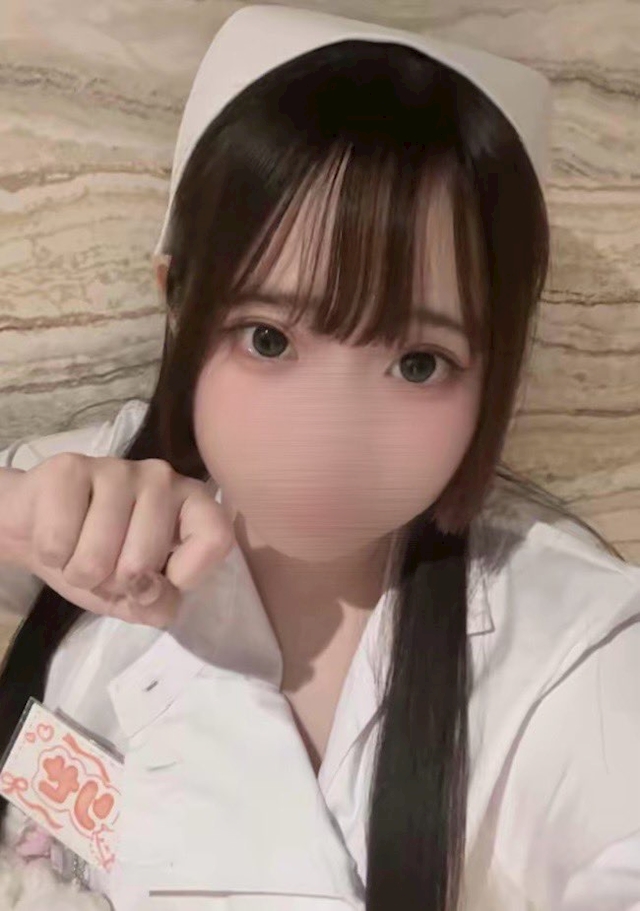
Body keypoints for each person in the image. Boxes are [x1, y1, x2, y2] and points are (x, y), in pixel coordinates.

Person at [0, 4, 638, 910]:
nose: (328, 441)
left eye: (419, 363)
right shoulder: (98, 469)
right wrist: (16, 516)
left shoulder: (565, 641)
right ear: (178, 300)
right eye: (268, 338)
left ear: (500, 368)